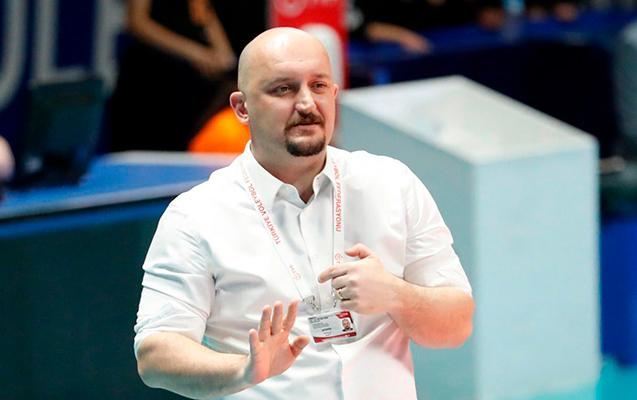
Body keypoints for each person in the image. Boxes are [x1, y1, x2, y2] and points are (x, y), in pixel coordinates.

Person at [134, 27, 475, 399]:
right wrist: (242, 370)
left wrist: (396, 295)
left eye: (318, 86)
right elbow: (155, 354)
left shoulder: (391, 183)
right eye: (283, 89)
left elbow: (457, 324)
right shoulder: (195, 216)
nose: (307, 103)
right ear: (242, 108)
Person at [109, 0, 235, 152]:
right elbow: (137, 22)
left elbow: (205, 15)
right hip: (150, 81)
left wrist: (222, 55)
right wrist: (195, 53)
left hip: (190, 93)